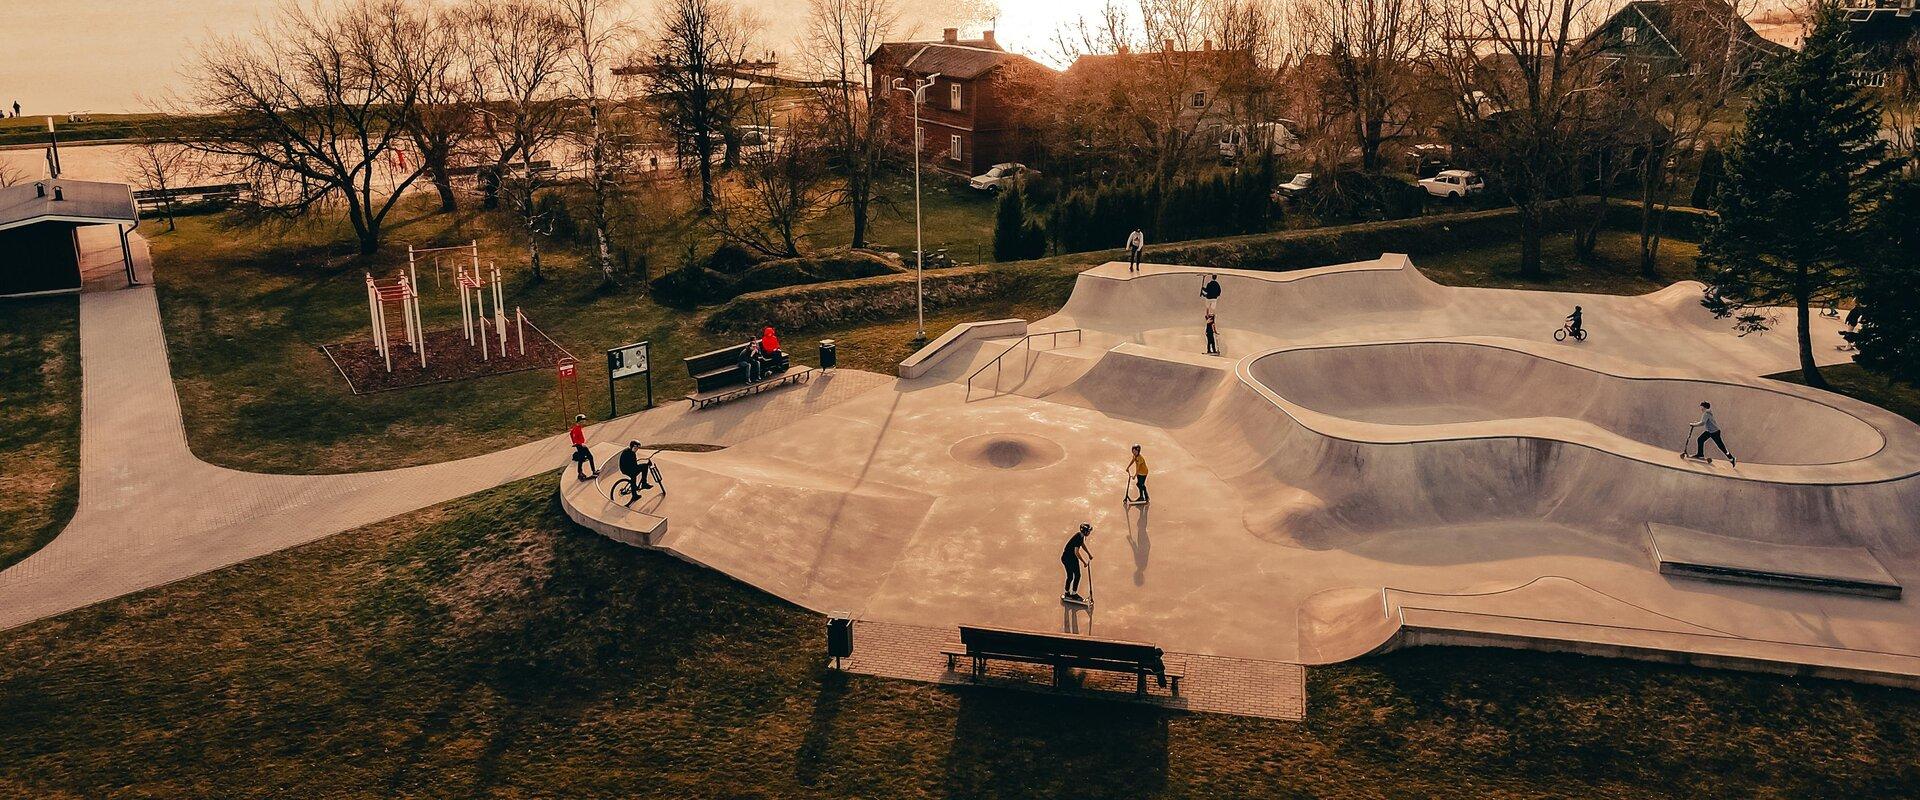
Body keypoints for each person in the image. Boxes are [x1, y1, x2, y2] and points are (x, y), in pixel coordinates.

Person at [1062, 523, 1093, 601]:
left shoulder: (1080, 535)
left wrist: (1089, 554)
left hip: (1068, 557)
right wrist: (1084, 562)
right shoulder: (1079, 537)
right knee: (1074, 576)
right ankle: (1072, 594)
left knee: (1073, 576)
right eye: (1088, 531)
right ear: (1085, 532)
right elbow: (1076, 552)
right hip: (1069, 558)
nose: (1089, 532)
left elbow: (1082, 545)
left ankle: (1069, 593)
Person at [568, 414, 594, 480]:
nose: (584, 422)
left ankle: (580, 472)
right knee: (590, 457)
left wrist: (574, 443)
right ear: (580, 421)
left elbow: (571, 434)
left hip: (580, 445)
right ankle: (593, 471)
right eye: (583, 421)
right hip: (581, 446)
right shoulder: (576, 429)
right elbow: (573, 436)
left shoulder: (577, 428)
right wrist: (579, 443)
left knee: (581, 459)